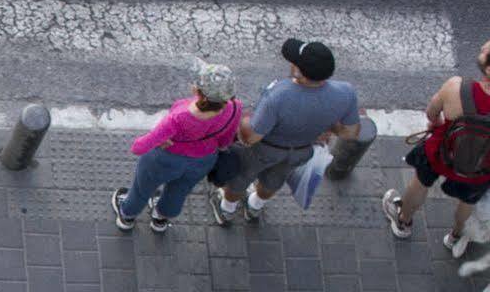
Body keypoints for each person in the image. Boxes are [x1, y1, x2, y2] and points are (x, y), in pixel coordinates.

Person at [210, 38, 361, 227]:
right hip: (301, 151)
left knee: (241, 178)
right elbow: (350, 132)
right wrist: (327, 127)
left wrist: (241, 120)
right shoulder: (346, 92)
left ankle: (226, 209)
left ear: (299, 72)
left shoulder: (279, 95)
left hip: (264, 150)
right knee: (274, 181)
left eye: (294, 61)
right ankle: (255, 206)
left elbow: (251, 137)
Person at [112, 62, 242, 233]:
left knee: (142, 188)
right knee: (179, 191)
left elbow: (138, 147)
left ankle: (127, 216)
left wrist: (160, 141)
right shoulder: (234, 108)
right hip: (203, 161)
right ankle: (160, 219)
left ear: (198, 92)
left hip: (165, 160)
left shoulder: (180, 116)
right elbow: (225, 141)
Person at [382, 39, 490, 243]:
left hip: (441, 153)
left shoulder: (456, 87)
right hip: (481, 169)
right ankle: (456, 236)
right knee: (468, 201)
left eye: (487, 49)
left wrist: (439, 123)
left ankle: (403, 221)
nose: (483, 46)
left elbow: (432, 114)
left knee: (421, 182)